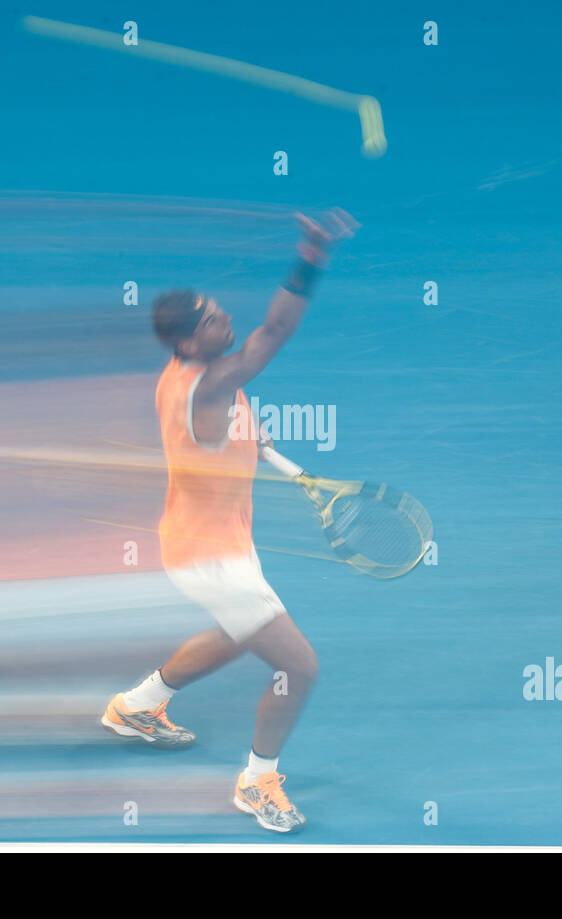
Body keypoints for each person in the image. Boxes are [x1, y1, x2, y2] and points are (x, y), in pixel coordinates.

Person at [101, 208, 358, 833]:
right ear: (190, 343)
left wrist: (243, 433)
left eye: (220, 311)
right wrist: (311, 256)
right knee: (299, 667)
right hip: (213, 560)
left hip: (199, 543)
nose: (227, 321)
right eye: (213, 321)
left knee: (238, 632)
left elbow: (212, 423)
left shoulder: (184, 377)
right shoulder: (213, 383)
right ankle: (257, 781)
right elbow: (276, 330)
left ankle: (137, 705)